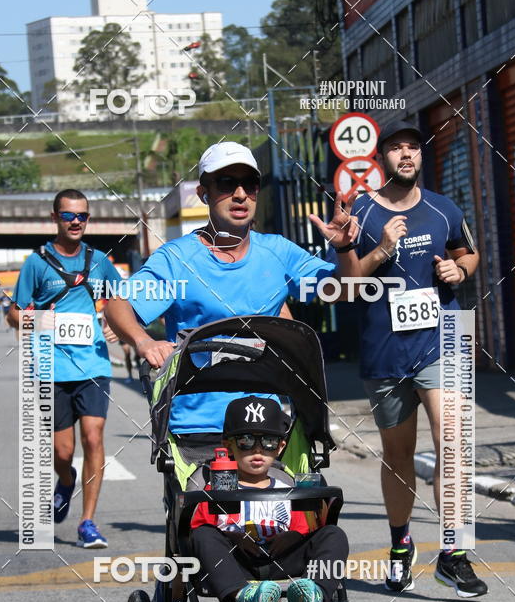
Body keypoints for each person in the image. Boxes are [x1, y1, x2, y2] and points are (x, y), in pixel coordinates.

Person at [105, 141, 360, 437]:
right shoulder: (177, 260)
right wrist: (144, 342)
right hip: (196, 428)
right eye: (226, 183)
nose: (240, 194)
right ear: (204, 194)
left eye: (249, 184)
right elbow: (118, 305)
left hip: (264, 424)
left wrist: (344, 248)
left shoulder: (277, 251)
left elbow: (347, 290)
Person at [351, 120, 487, 598]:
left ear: (420, 157)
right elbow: (345, 280)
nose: (406, 155)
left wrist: (459, 268)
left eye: (412, 148)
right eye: (395, 148)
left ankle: (454, 554)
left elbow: (469, 255)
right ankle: (400, 544)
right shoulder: (361, 211)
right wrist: (383, 248)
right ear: (381, 158)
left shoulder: (443, 208)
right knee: (398, 455)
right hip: (384, 346)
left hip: (444, 336)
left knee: (453, 438)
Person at [7, 189, 121, 548]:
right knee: (62, 453)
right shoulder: (37, 262)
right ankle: (67, 479)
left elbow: (123, 299)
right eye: (69, 215)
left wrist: (117, 325)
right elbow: (14, 312)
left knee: (94, 438)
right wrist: (35, 320)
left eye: (82, 216)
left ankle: (88, 522)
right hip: (50, 368)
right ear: (55, 218)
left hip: (93, 365)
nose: (76, 222)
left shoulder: (99, 260)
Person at [191, 397, 349, 602]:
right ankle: (244, 596)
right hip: (237, 562)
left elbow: (303, 529)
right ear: (228, 445)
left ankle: (313, 594)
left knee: (334, 535)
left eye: (268, 442)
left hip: (283, 558)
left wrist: (291, 537)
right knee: (203, 536)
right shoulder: (216, 486)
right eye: (245, 441)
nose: (258, 451)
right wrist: (232, 538)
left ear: (280, 447)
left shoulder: (289, 486)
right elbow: (195, 535)